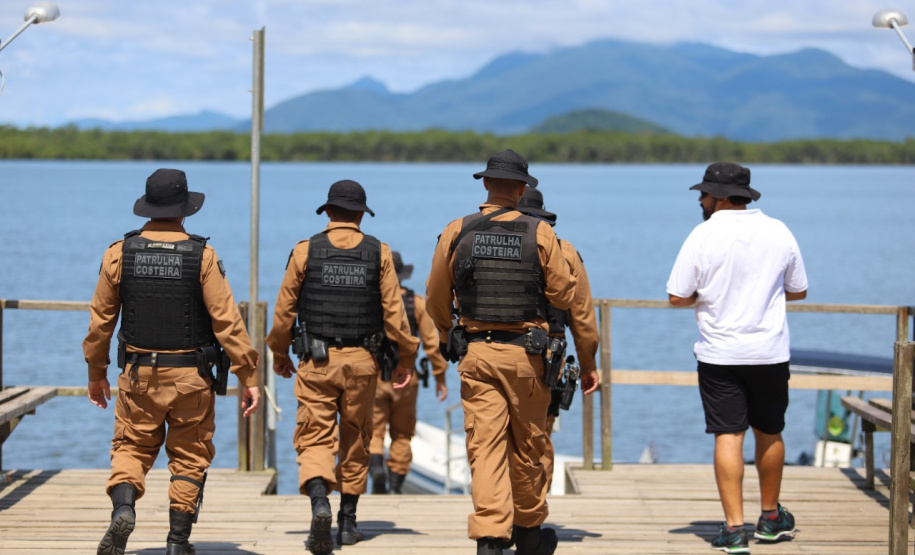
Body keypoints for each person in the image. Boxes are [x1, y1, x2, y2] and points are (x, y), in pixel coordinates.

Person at [83, 168, 261, 555]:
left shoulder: (119, 253)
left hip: (138, 375)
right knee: (190, 454)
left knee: (131, 447)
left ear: (148, 209)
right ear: (184, 212)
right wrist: (248, 375)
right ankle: (177, 542)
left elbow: (100, 323)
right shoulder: (203, 256)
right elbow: (228, 322)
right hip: (191, 378)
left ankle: (124, 509)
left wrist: (97, 373)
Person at [425, 149, 575, 555]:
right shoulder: (540, 233)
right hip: (527, 359)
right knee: (529, 448)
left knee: (485, 447)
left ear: (486, 184)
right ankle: (527, 533)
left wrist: (447, 331)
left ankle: (490, 539)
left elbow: (435, 298)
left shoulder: (457, 230)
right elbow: (564, 291)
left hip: (477, 356)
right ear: (523, 188)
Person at [266, 179, 419, 555]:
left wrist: (279, 353)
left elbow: (284, 310)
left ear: (329, 212)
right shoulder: (379, 253)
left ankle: (320, 501)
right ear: (361, 215)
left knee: (315, 437)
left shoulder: (305, 251)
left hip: (316, 362)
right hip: (363, 363)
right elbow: (395, 316)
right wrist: (406, 359)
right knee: (357, 436)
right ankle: (348, 523)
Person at [666, 162, 807, 554]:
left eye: (704, 193)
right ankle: (770, 518)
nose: (700, 198)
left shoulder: (703, 235)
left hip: (720, 353)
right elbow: (798, 290)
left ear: (722, 197)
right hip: (769, 352)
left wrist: (707, 295)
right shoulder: (779, 230)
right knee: (770, 431)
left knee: (728, 434)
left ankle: (733, 529)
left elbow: (677, 296)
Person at [517, 187, 600, 490]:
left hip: (493, 350)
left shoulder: (489, 241)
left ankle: (501, 516)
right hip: (548, 357)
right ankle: (533, 519)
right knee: (540, 437)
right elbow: (583, 318)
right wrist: (589, 365)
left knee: (496, 438)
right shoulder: (564, 252)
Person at [369, 251, 449, 494]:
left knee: (373, 431)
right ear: (403, 276)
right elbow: (431, 344)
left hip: (374, 376)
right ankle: (396, 487)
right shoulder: (416, 303)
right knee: (403, 434)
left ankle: (377, 471)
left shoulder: (372, 302)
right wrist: (440, 377)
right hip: (406, 378)